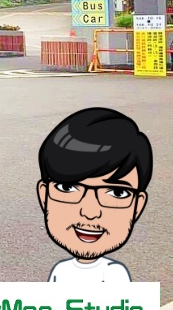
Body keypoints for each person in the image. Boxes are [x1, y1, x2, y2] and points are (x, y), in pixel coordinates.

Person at [39, 108, 151, 283]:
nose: (90, 212)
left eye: (117, 192)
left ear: (138, 206)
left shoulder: (113, 273)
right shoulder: (59, 270)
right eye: (68, 187)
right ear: (44, 195)